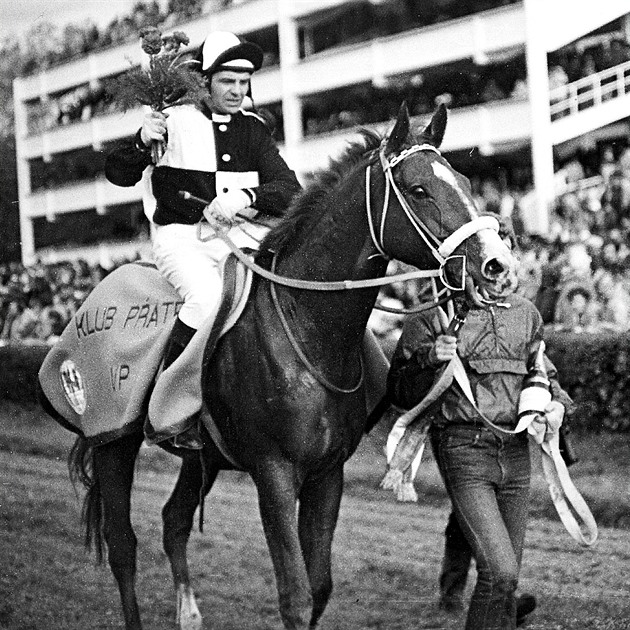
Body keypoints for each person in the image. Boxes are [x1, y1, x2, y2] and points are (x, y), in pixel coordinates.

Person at [105, 30, 302, 448]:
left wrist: (245, 197)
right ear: (205, 80)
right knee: (208, 299)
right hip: (182, 240)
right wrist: (143, 140)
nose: (237, 90)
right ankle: (171, 408)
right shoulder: (171, 122)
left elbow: (290, 189)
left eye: (243, 81)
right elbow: (117, 173)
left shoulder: (254, 130)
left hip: (238, 238)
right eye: (227, 80)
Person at [387, 222, 574, 630]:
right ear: (470, 261)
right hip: (464, 450)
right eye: (491, 260)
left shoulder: (527, 314)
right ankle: (454, 590)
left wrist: (556, 407)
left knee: (502, 581)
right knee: (502, 572)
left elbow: (543, 377)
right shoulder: (436, 312)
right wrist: (430, 358)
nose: (501, 269)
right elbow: (399, 391)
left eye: (506, 258)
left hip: (515, 453)